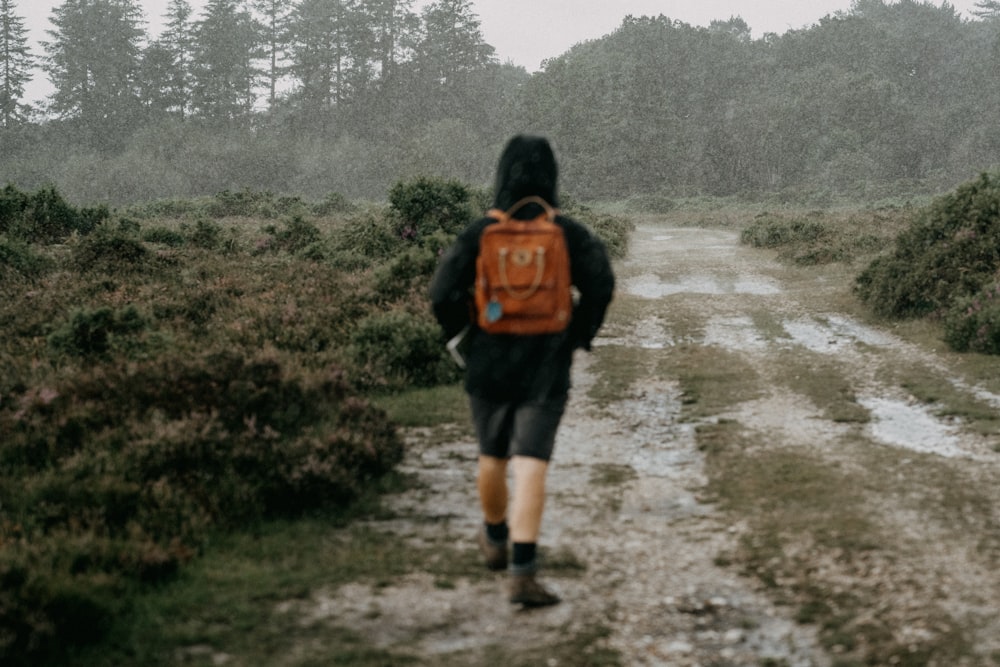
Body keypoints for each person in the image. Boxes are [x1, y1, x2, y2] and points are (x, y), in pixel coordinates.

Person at [429, 135, 615, 607]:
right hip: (546, 364)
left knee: (491, 455)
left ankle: (493, 538)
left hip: (489, 359)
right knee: (532, 463)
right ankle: (523, 572)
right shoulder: (567, 232)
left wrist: (464, 338)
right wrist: (578, 335)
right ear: (551, 177)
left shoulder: (481, 231)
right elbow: (601, 283)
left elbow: (441, 292)